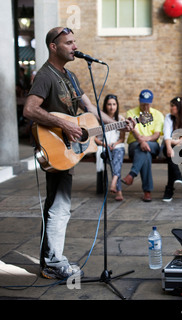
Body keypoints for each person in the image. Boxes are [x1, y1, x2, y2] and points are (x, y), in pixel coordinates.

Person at [23, 27, 135, 280]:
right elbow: (30, 109)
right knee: (59, 206)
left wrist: (117, 122)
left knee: (58, 204)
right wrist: (64, 124)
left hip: (68, 149)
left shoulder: (71, 76)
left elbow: (90, 108)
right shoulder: (45, 75)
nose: (75, 46)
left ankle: (50, 259)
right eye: (69, 42)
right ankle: (52, 262)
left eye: (75, 42)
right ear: (54, 46)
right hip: (54, 146)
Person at [121, 89, 164, 202]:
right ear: (139, 101)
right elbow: (133, 130)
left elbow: (156, 135)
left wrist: (146, 140)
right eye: (143, 103)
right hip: (135, 145)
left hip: (152, 145)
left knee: (146, 148)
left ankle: (132, 175)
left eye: (147, 103)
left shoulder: (157, 114)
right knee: (145, 153)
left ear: (151, 102)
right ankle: (147, 192)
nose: (145, 106)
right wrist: (141, 141)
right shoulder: (131, 113)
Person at [94, 94, 125, 201]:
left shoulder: (120, 119)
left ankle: (114, 183)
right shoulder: (99, 119)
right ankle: (118, 190)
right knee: (115, 160)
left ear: (117, 106)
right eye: (109, 104)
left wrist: (114, 144)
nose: (112, 107)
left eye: (114, 104)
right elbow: (95, 138)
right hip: (104, 146)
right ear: (105, 105)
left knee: (117, 155)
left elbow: (122, 139)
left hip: (117, 146)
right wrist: (104, 144)